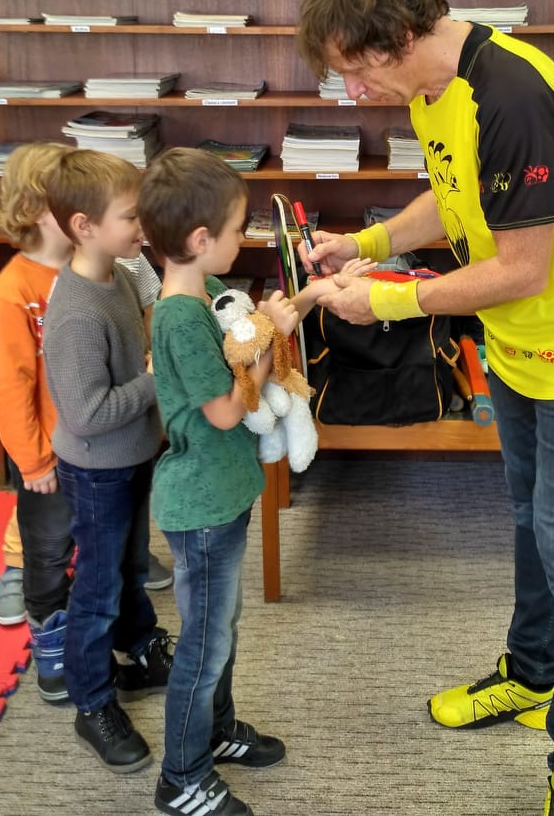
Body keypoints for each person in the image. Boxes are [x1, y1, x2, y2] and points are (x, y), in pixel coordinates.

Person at [294, 0, 554, 816]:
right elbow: (457, 200)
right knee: (529, 516)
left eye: (355, 69)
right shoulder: (431, 89)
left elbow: (524, 266)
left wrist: (388, 300)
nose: (352, 91)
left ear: (401, 35)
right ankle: (531, 673)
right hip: (517, 335)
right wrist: (365, 244)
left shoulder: (513, 93)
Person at [137, 147, 366, 816]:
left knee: (222, 629)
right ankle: (181, 777)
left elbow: (256, 325)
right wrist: (266, 356)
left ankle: (215, 730)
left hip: (224, 493)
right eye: (239, 229)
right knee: (204, 645)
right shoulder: (179, 318)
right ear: (200, 239)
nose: (246, 239)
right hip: (201, 505)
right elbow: (226, 409)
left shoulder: (205, 289)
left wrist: (312, 295)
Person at [0, 143, 171, 699]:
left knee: (108, 557)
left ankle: (125, 639)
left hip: (108, 446)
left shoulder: (110, 274)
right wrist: (33, 460)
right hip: (53, 452)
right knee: (50, 555)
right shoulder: (19, 293)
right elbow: (13, 388)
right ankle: (55, 653)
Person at [42, 149, 170, 773]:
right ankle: (91, 701)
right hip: (97, 469)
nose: (142, 225)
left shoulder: (118, 273)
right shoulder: (75, 313)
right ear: (84, 226)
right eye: (130, 216)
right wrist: (155, 378)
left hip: (132, 454)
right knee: (97, 586)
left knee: (129, 565)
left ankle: (140, 645)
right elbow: (88, 413)